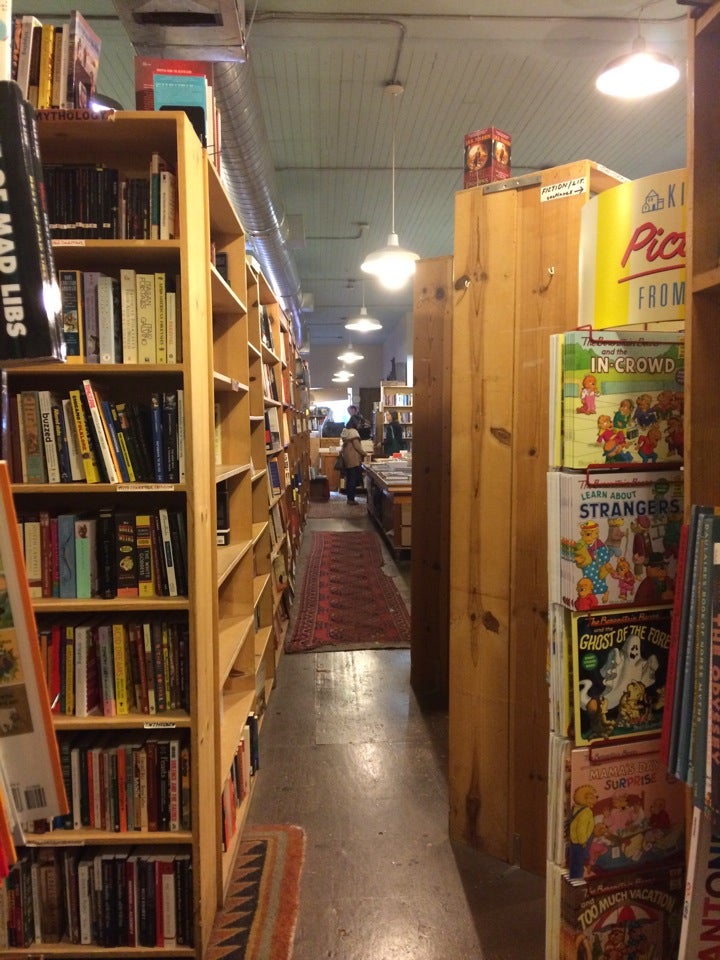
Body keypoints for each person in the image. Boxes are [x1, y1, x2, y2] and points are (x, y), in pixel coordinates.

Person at [340, 426, 364, 504]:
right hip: (353, 459)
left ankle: (349, 498)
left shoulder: (346, 432)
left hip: (347, 459)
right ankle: (351, 499)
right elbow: (357, 446)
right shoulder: (353, 433)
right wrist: (364, 453)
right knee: (353, 479)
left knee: (349, 479)